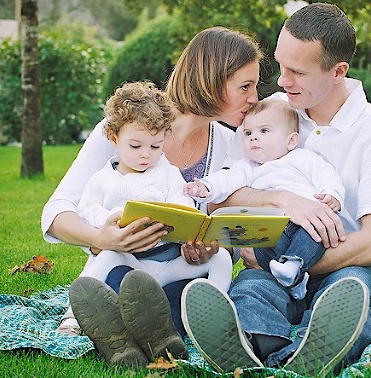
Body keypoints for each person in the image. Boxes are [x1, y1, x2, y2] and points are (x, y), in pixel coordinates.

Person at [181, 3, 371, 378]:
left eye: (298, 72)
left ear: (338, 72)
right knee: (250, 291)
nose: (282, 81)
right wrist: (280, 202)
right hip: (270, 265)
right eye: (280, 65)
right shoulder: (269, 115)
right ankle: (250, 349)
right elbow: (225, 194)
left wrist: (293, 265)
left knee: (353, 293)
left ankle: (311, 350)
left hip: (346, 266)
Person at [41, 27, 262, 367]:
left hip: (178, 272)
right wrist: (102, 237)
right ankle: (119, 326)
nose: (255, 98)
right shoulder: (124, 129)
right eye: (245, 86)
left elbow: (222, 230)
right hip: (124, 266)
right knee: (128, 289)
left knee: (174, 299)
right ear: (210, 80)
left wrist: (212, 246)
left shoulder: (230, 143)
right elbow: (56, 213)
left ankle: (139, 331)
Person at [61, 82, 232, 345]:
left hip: (168, 262)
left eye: (155, 147)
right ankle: (75, 315)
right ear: (114, 139)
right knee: (105, 257)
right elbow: (87, 209)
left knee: (220, 258)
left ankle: (216, 316)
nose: (145, 155)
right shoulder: (102, 179)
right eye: (136, 146)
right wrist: (108, 221)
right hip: (130, 261)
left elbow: (181, 201)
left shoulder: (167, 172)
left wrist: (187, 219)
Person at [184, 98, 344, 300]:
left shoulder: (302, 158)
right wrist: (206, 186)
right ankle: (294, 277)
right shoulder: (246, 167)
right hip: (271, 231)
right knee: (261, 246)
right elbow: (226, 179)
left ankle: (294, 267)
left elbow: (326, 175)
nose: (253, 138)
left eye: (264, 131)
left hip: (304, 222)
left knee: (313, 233)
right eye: (248, 133)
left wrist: (333, 194)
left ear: (291, 140)